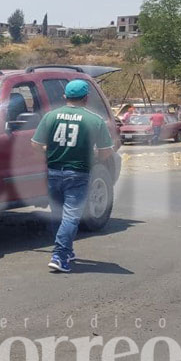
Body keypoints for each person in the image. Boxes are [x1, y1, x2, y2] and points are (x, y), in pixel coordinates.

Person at [31, 79, 114, 273]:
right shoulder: (94, 120)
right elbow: (105, 152)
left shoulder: (50, 116)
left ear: (65, 97)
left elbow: (35, 145)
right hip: (78, 173)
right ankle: (59, 255)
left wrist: (49, 152)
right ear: (86, 98)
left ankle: (66, 251)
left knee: (58, 214)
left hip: (53, 172)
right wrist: (93, 156)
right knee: (71, 216)